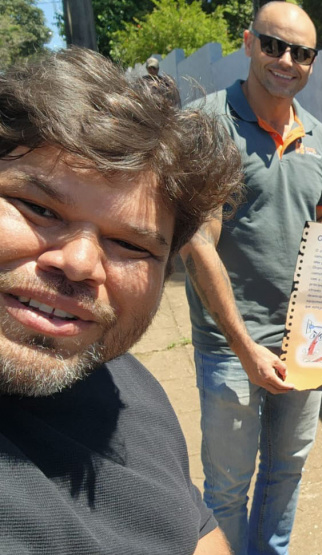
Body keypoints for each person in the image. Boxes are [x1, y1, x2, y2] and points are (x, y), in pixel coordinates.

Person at [0, 48, 243, 554]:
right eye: (38, 208)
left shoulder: (124, 382)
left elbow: (194, 527)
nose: (81, 262)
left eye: (130, 244)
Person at [181, 2, 322, 553]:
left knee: (287, 471)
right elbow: (198, 244)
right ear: (249, 42)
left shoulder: (321, 136)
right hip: (231, 345)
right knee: (227, 486)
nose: (286, 60)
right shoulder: (207, 124)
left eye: (301, 52)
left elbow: (321, 217)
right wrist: (244, 347)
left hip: (306, 340)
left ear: (313, 62)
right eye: (273, 45)